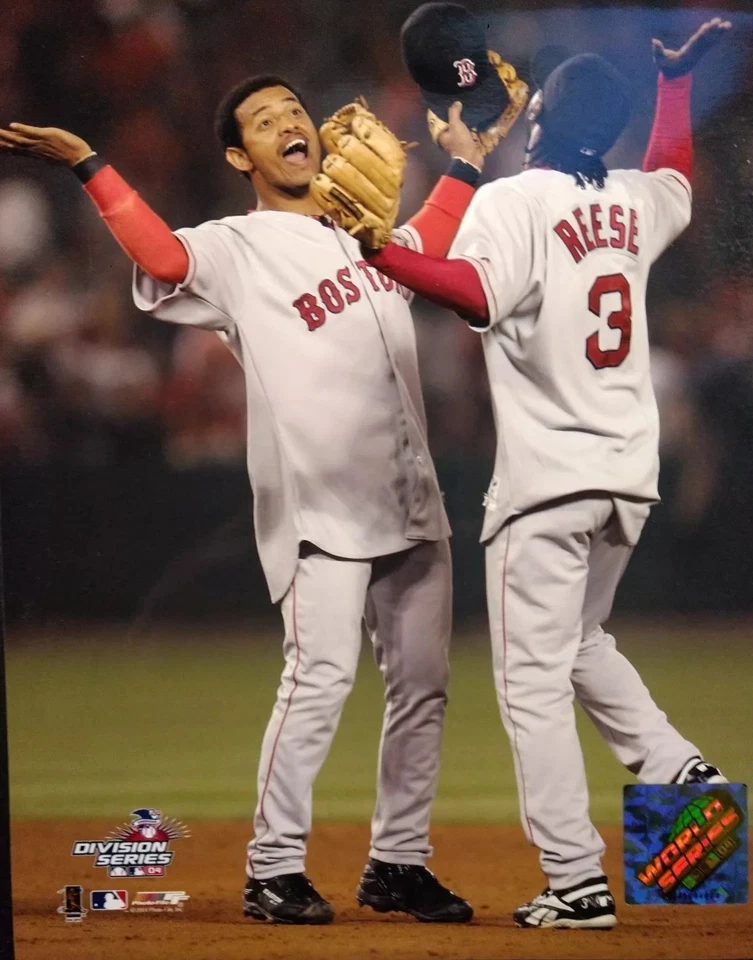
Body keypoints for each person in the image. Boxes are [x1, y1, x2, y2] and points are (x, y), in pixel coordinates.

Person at [0, 76, 488, 925]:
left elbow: (426, 245)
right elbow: (162, 260)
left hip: (409, 494)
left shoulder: (362, 231)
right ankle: (272, 870)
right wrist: (88, 163)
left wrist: (465, 168)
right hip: (318, 503)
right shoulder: (235, 245)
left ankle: (397, 863)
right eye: (266, 122)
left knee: (422, 688)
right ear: (240, 155)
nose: (289, 125)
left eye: (295, 112)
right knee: (319, 678)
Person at [361, 18, 731, 929]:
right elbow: (675, 174)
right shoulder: (636, 202)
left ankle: (575, 883)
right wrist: (675, 87)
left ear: (536, 125)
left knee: (529, 683)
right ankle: (676, 768)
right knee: (579, 644)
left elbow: (477, 295)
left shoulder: (511, 200)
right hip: (624, 476)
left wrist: (382, 250)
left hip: (546, 481)